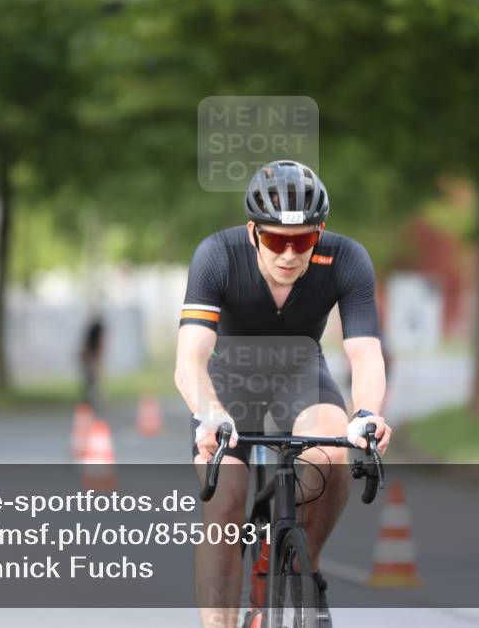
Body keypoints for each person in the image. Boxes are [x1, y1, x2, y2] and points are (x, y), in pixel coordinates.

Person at [174, 160, 391, 628]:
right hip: (229, 380)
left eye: (304, 240)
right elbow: (189, 359)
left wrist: (367, 414)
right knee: (226, 501)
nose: (290, 254)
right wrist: (210, 414)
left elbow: (366, 356)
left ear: (321, 232)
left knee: (332, 449)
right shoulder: (216, 254)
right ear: (253, 233)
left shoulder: (348, 259)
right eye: (276, 240)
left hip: (299, 373)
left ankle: (299, 565)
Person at [79, 316, 105, 411]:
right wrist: (99, 365)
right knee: (92, 381)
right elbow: (99, 348)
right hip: (91, 359)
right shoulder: (96, 335)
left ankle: (89, 402)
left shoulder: (89, 335)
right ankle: (90, 402)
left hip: (88, 359)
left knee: (89, 382)